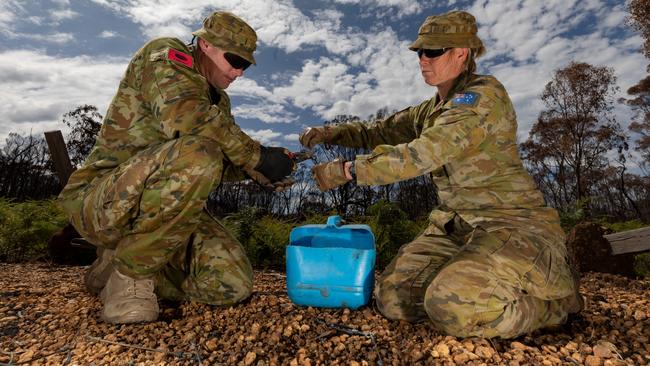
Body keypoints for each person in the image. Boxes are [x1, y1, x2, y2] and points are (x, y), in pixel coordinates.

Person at [299, 10, 583, 339]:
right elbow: (380, 129)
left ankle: (558, 302)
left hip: (510, 224)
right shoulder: (431, 108)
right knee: (392, 300)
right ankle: (469, 279)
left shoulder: (482, 97)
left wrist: (349, 170)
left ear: (462, 53)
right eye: (419, 51)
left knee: (451, 309)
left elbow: (423, 153)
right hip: (455, 225)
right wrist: (329, 133)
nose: (422, 59)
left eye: (432, 52)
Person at [58, 11, 295, 324]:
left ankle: (119, 262)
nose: (239, 73)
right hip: (103, 202)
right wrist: (259, 157)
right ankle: (130, 279)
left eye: (245, 65)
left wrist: (262, 172)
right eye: (235, 60)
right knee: (199, 154)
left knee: (230, 284)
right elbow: (188, 123)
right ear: (206, 45)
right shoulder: (166, 55)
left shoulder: (219, 102)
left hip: (162, 206)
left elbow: (218, 165)